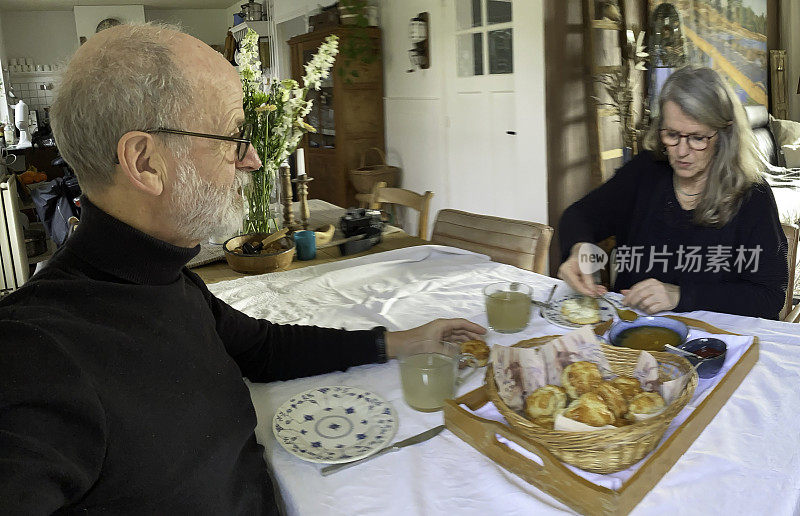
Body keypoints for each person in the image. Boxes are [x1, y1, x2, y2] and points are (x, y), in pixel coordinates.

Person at [0, 24, 485, 514]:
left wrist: (402, 342)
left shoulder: (168, 279)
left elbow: (264, 347)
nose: (252, 159)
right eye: (233, 135)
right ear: (145, 162)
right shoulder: (37, 353)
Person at [558, 66, 788, 319]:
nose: (681, 151)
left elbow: (768, 296)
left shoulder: (752, 196)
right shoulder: (646, 171)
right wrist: (579, 248)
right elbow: (579, 215)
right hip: (632, 335)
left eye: (698, 138)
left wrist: (680, 296)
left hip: (714, 344)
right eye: (672, 134)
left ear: (724, 135)